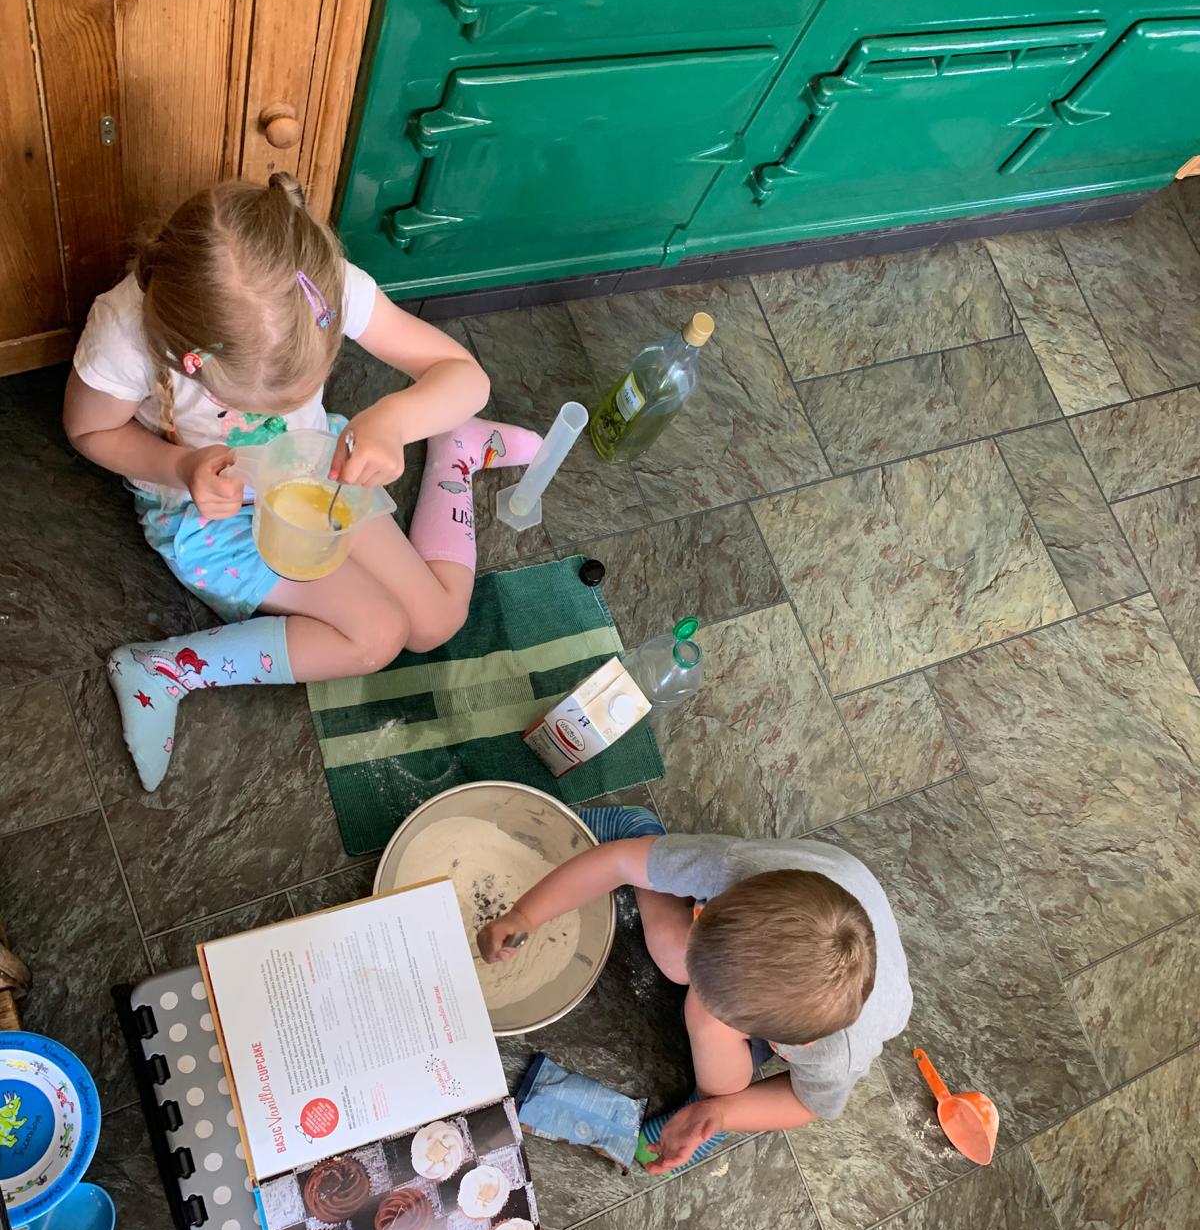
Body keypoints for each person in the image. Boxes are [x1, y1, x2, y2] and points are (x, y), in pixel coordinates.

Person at [64, 173, 542, 791]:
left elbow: (463, 377)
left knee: (438, 622)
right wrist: (180, 466)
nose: (274, 412)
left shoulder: (324, 287)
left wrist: (392, 422)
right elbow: (89, 432)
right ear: (187, 357)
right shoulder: (126, 335)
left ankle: (456, 448)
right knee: (378, 637)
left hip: (318, 465)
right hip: (207, 510)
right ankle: (164, 669)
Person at [478, 808, 911, 1174]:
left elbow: (806, 1104)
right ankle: (638, 828)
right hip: (817, 890)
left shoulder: (839, 1051)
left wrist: (719, 1113)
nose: (692, 986)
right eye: (702, 922)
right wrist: (524, 916)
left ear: (797, 1044)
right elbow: (617, 864)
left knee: (721, 1071)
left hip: (816, 973)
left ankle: (715, 1040)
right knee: (672, 956)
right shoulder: (736, 867)